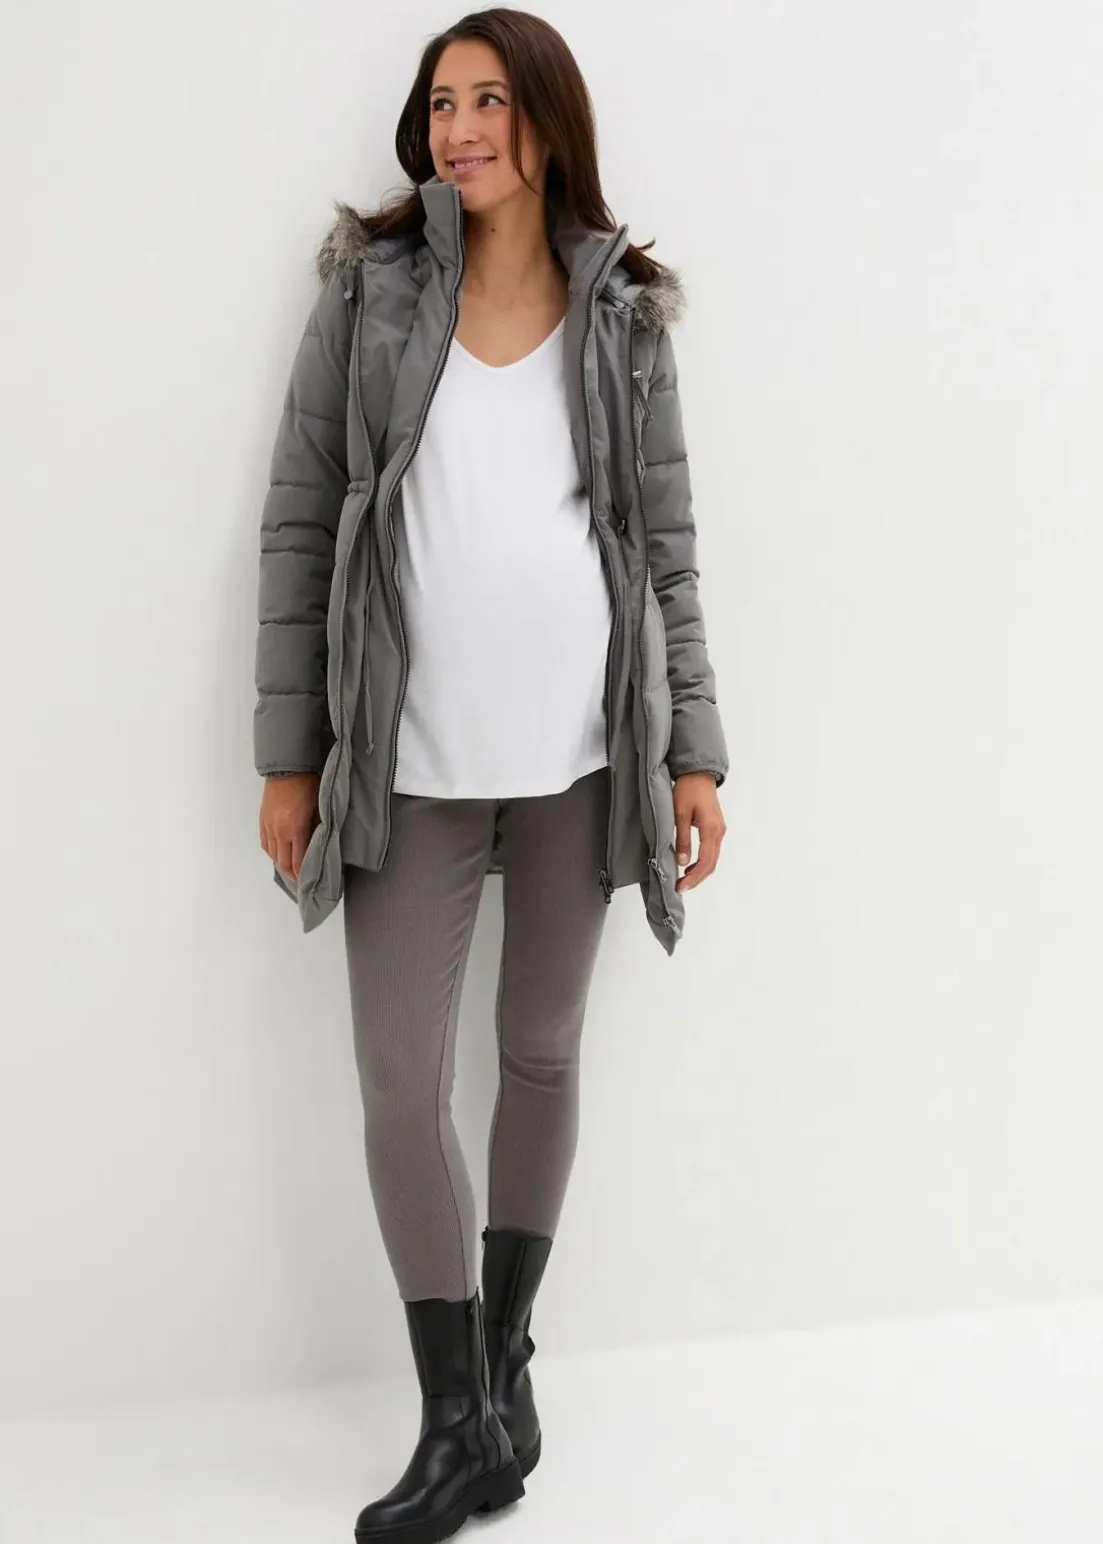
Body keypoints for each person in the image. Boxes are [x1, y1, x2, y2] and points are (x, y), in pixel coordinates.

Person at [252, 9, 729, 1541]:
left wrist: (691, 752)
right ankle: (455, 1416)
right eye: (439, 104)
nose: (455, 130)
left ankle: (503, 1369)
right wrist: (291, 756)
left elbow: (663, 551)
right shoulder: (371, 296)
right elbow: (302, 521)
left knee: (538, 1057)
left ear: (544, 122)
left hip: (584, 755)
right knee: (401, 1085)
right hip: (411, 761)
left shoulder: (621, 315)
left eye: (484, 102)